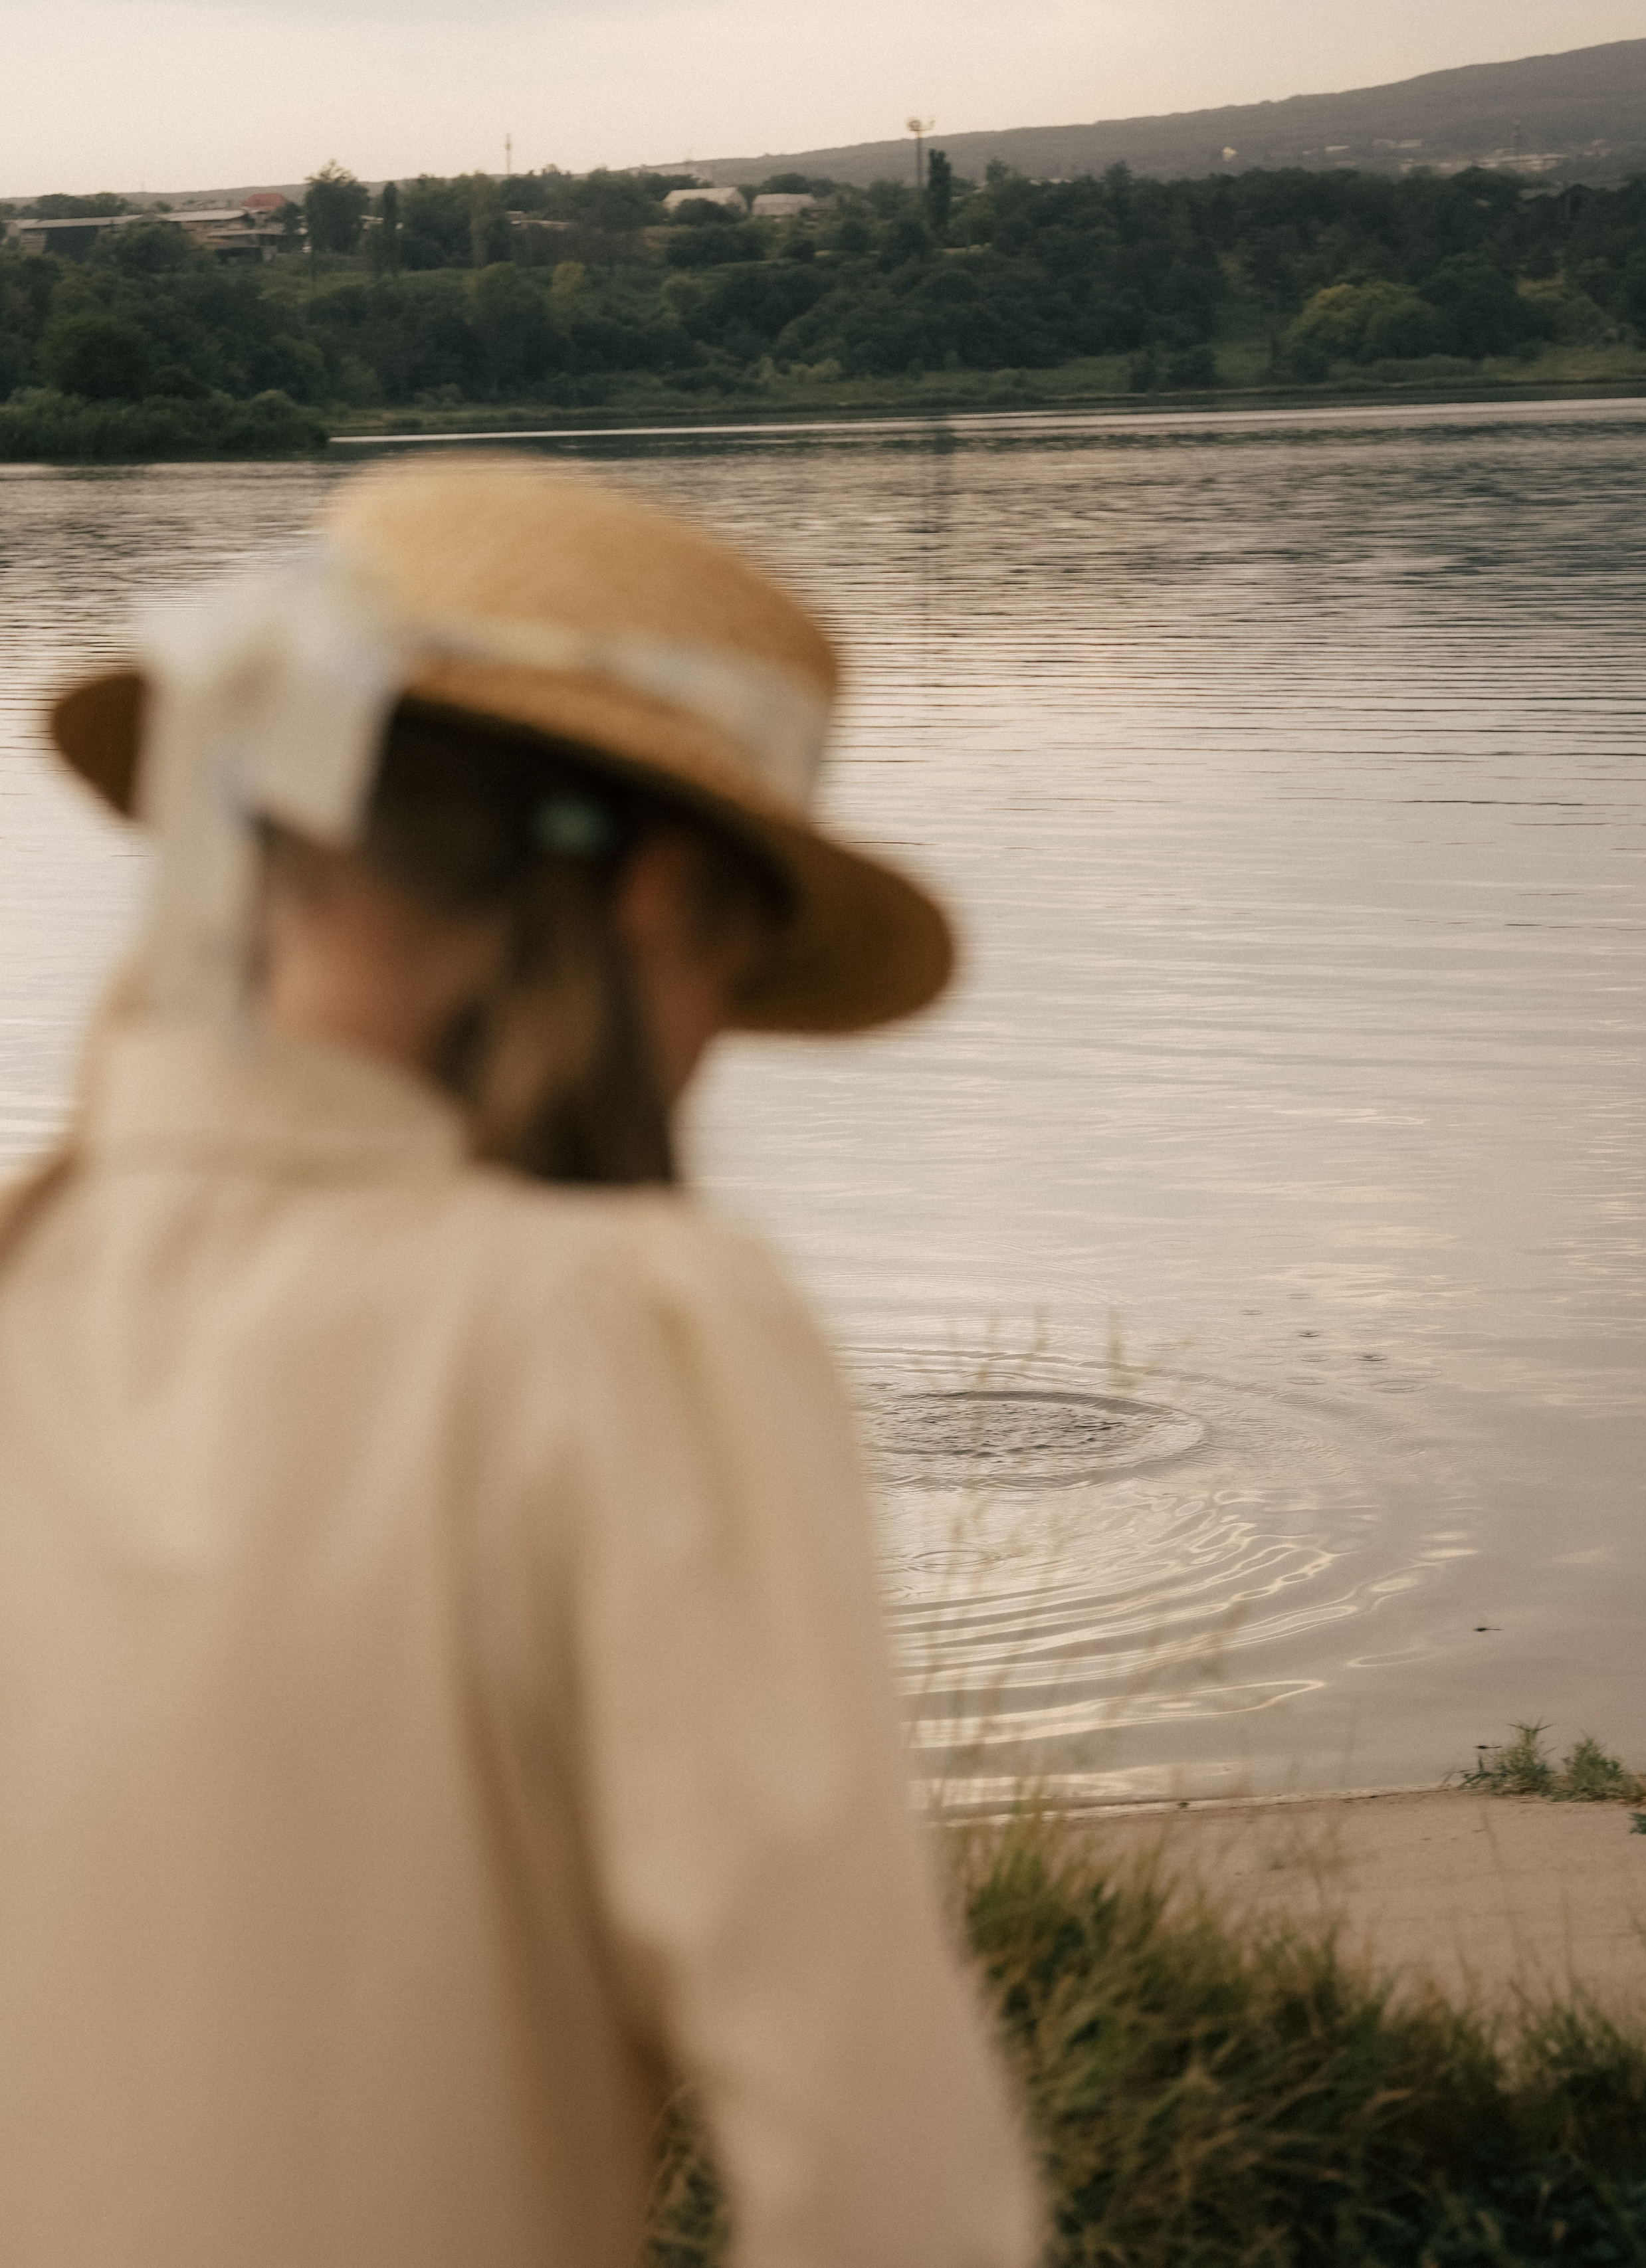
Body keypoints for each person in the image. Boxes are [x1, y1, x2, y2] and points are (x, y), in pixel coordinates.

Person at [0, 459, 1041, 2268]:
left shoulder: (41, 1280)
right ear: (652, 906)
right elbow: (880, 2179)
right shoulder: (611, 1327)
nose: (718, 1048)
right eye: (740, 966)